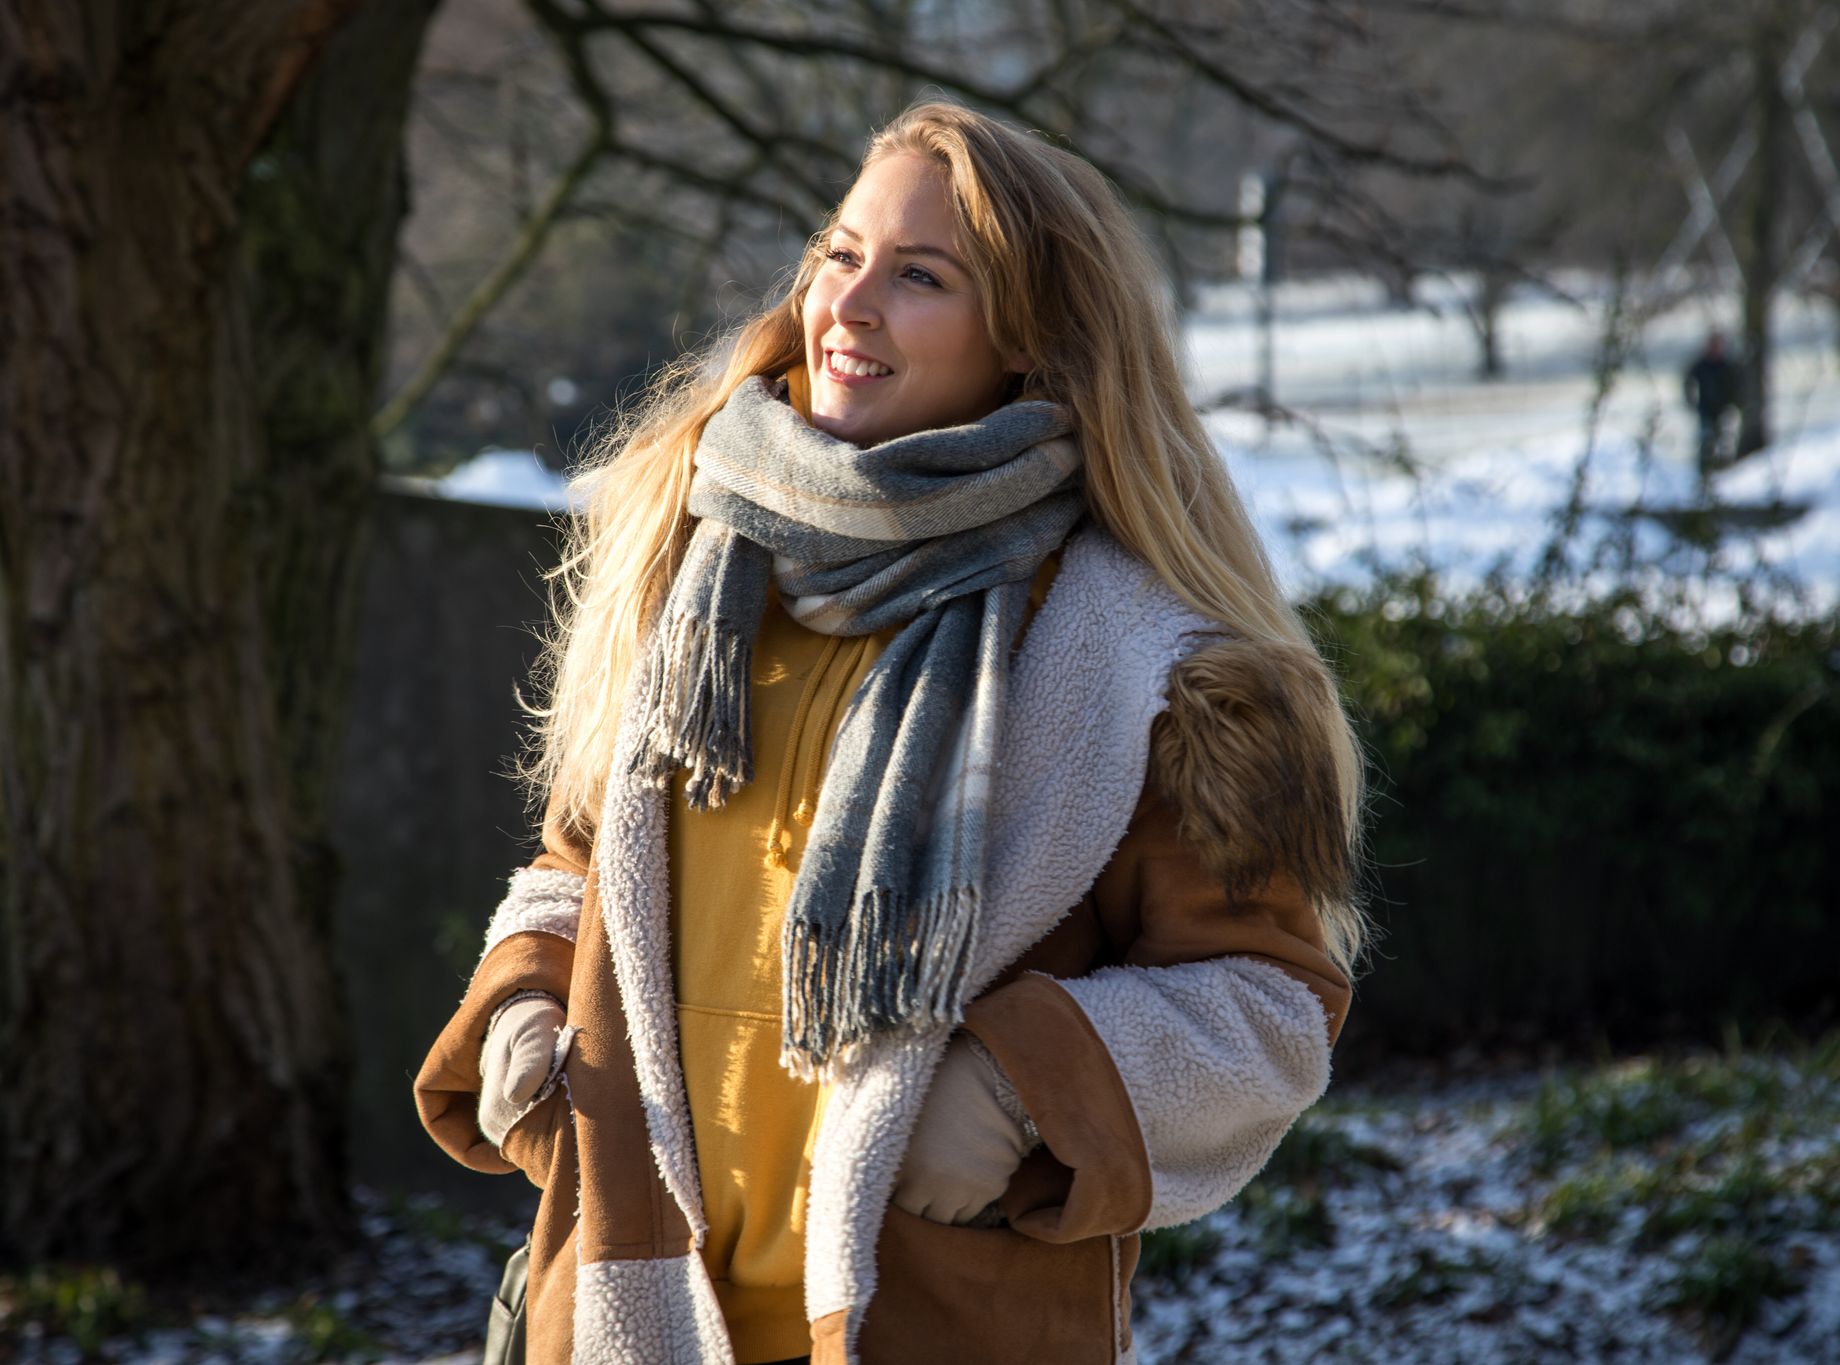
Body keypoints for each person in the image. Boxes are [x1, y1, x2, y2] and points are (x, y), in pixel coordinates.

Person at [413, 98, 1374, 1365]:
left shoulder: (1147, 666)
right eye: (839, 253)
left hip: (932, 1325)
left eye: (919, 276)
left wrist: (1023, 1087)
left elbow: (1269, 1008)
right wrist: (528, 1009)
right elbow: (582, 867)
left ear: (1032, 340)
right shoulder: (692, 567)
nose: (848, 304)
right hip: (625, 1316)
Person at [1683, 328, 1742, 475]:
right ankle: (1705, 472)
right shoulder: (1702, 366)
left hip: (1723, 410)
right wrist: (1691, 402)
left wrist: (1734, 404)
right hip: (1705, 410)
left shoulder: (1727, 366)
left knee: (1725, 443)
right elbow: (1688, 381)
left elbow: (1737, 386)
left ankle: (1725, 471)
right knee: (1706, 442)